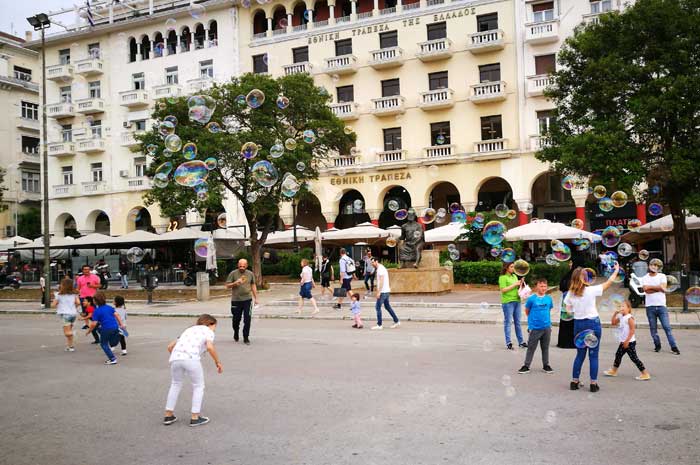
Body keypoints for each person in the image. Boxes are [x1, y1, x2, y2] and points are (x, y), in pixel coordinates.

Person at [564, 263, 619, 393]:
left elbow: (568, 310)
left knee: (580, 355)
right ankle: (593, 384)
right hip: (593, 323)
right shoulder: (591, 290)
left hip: (578, 324)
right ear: (584, 278)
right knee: (593, 355)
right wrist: (616, 271)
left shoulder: (570, 293)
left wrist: (577, 309)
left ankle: (574, 382)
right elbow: (608, 283)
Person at [163, 314, 223, 427]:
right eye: (215, 326)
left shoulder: (188, 330)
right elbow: (210, 347)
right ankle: (195, 417)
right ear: (210, 324)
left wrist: (180, 358)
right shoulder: (208, 331)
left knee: (175, 384)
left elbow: (170, 347)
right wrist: (217, 362)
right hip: (191, 358)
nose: (215, 329)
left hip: (175, 358)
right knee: (198, 386)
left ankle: (168, 415)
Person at [604, 300, 651, 380]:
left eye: (623, 306)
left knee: (634, 358)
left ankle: (645, 373)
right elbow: (613, 323)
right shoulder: (621, 316)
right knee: (618, 355)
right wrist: (615, 314)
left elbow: (632, 330)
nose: (621, 308)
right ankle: (614, 371)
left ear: (628, 308)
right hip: (624, 341)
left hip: (629, 342)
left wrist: (627, 341)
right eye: (620, 306)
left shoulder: (629, 318)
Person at [641, 264, 680, 355]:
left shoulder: (662, 276)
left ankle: (674, 347)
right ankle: (657, 345)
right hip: (650, 307)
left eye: (656, 266)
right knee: (653, 329)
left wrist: (651, 287)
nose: (654, 267)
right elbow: (646, 290)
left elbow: (663, 288)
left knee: (667, 327)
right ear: (649, 266)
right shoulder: (645, 277)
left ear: (658, 268)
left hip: (662, 306)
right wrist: (659, 288)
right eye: (652, 265)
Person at [518, 278, 554, 374]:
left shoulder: (549, 299)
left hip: (546, 327)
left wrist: (549, 324)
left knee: (545, 348)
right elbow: (527, 311)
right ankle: (526, 366)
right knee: (531, 348)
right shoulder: (531, 299)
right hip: (535, 328)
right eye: (541, 286)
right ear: (537, 287)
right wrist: (531, 325)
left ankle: (546, 365)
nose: (543, 288)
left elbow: (548, 310)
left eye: (545, 286)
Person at [225, 258, 258, 345]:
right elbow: (227, 285)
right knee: (236, 320)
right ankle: (236, 332)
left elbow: (253, 285)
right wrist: (235, 283)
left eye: (243, 266)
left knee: (247, 319)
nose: (242, 267)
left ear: (246, 265)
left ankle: (246, 337)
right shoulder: (233, 273)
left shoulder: (250, 274)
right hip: (236, 300)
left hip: (247, 300)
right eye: (240, 266)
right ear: (238, 265)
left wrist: (256, 298)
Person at [87, 292, 125, 365]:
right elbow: (117, 315)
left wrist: (89, 331)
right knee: (108, 338)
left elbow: (94, 324)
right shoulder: (109, 307)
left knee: (103, 344)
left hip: (106, 328)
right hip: (115, 326)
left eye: (93, 300)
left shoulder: (97, 311)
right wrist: (121, 324)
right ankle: (118, 335)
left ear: (95, 301)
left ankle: (112, 359)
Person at [498, 262, 527, 350]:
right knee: (508, 322)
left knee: (518, 322)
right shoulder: (502, 277)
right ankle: (508, 342)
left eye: (514, 267)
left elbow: (517, 288)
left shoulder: (514, 276)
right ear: (506, 268)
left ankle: (521, 342)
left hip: (517, 301)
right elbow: (503, 290)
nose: (513, 268)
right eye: (511, 267)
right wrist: (515, 284)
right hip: (508, 302)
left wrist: (521, 283)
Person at [370, 257, 400, 330]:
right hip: (386, 291)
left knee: (377, 307)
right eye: (371, 262)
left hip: (383, 292)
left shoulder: (380, 269)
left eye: (373, 262)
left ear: (377, 261)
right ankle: (396, 321)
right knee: (387, 307)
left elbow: (382, 281)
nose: (372, 264)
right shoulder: (381, 268)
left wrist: (379, 292)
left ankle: (379, 325)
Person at [51, 277, 80, 352]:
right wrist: (74, 307)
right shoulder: (74, 294)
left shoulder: (58, 295)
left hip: (65, 315)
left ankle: (73, 333)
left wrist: (55, 302)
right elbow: (78, 303)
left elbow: (53, 305)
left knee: (67, 333)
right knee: (69, 331)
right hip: (73, 314)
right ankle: (70, 346)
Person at [557, 260, 577, 349]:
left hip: (569, 301)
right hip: (569, 301)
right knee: (569, 320)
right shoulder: (571, 275)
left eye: (571, 263)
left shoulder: (571, 276)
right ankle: (570, 341)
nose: (570, 264)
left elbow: (562, 286)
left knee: (567, 320)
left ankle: (565, 341)